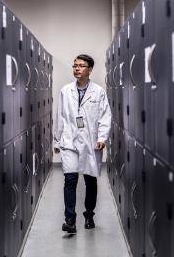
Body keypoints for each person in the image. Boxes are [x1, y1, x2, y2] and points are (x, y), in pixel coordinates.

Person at [53, 54, 112, 234]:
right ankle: (70, 219)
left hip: (90, 142)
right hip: (70, 140)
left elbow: (105, 116)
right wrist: (57, 140)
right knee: (69, 180)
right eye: (75, 65)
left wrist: (102, 138)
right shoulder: (65, 90)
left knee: (90, 180)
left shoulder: (99, 92)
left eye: (81, 66)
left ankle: (89, 215)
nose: (77, 68)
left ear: (90, 70)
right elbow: (60, 117)